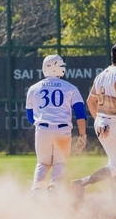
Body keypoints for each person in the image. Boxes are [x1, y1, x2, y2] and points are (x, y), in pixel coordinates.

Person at [71, 42, 116, 201]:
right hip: (112, 122)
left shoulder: (101, 75)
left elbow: (90, 101)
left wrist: (100, 122)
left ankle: (114, 199)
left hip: (102, 121)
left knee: (115, 163)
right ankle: (81, 183)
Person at [25, 54, 88, 196]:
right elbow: (80, 114)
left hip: (42, 129)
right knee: (60, 163)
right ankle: (53, 190)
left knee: (42, 163)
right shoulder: (71, 88)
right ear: (56, 68)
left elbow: (30, 117)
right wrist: (82, 135)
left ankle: (36, 192)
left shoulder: (33, 88)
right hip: (62, 130)